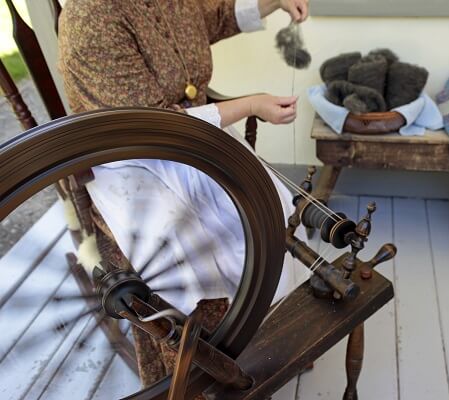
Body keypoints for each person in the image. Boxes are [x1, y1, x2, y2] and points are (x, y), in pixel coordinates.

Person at [58, 0, 310, 388]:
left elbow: (217, 16)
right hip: (129, 155)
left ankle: (265, 329)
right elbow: (151, 125)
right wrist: (249, 104)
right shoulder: (90, 19)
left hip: (193, 137)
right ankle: (203, 369)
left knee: (267, 205)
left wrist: (273, 2)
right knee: (188, 249)